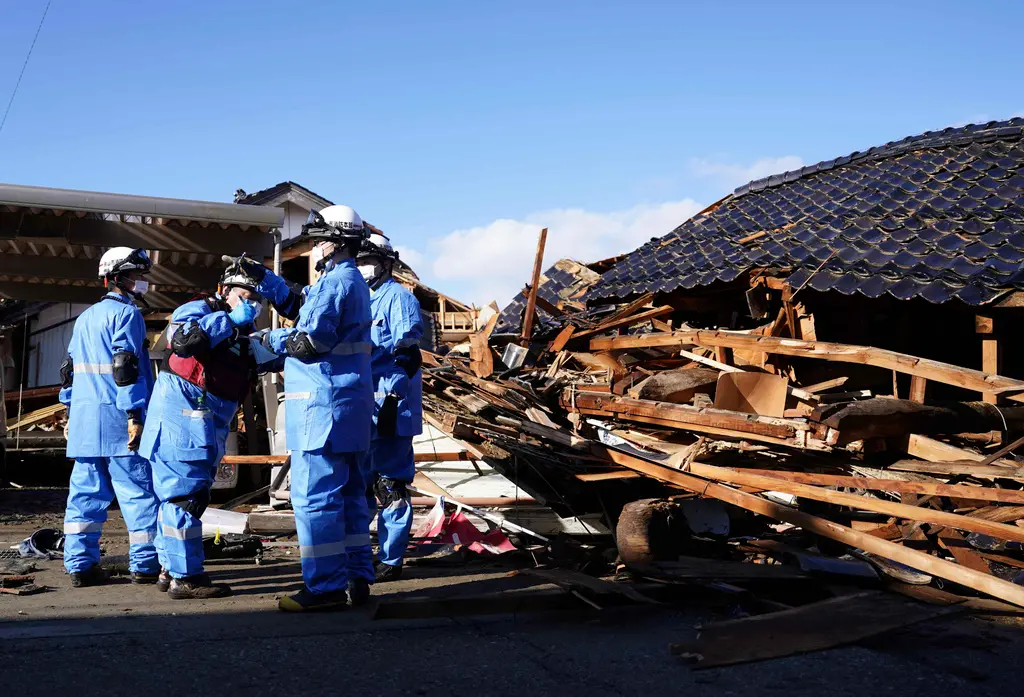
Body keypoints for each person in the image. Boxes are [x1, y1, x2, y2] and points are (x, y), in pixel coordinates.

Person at [252, 205, 375, 611]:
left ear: (336, 241)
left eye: (320, 238)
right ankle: (358, 579)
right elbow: (306, 309)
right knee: (354, 498)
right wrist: (268, 282)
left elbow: (311, 342)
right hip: (351, 407)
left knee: (316, 500)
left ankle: (323, 590)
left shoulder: (333, 284)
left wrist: (272, 340)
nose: (315, 244)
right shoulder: (351, 281)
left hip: (320, 410)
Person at [138, 260, 278, 599]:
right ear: (225, 291)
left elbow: (262, 357)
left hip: (204, 420)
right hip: (182, 415)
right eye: (245, 295)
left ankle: (169, 569)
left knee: (188, 495)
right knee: (183, 498)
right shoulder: (198, 311)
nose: (252, 303)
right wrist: (228, 320)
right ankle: (185, 578)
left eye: (256, 298)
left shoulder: (242, 335)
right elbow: (184, 341)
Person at [59, 247, 159, 587]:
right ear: (119, 277)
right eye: (136, 275)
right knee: (137, 494)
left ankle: (80, 566)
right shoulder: (127, 315)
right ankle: (145, 566)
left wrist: (70, 412)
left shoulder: (85, 318)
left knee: (84, 498)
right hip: (118, 420)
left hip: (86, 423)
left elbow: (69, 372)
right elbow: (124, 366)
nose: (140, 282)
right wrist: (134, 414)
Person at [357, 232, 423, 581]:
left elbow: (406, 355)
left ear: (386, 264)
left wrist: (390, 398)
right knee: (360, 486)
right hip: (363, 407)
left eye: (369, 261)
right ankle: (358, 555)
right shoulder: (361, 300)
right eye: (360, 262)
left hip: (391, 410)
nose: (363, 268)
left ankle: (391, 559)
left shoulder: (399, 299)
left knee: (390, 486)